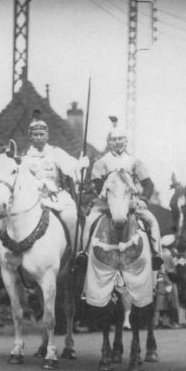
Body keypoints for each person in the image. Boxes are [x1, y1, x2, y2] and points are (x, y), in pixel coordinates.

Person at [78, 116, 162, 270]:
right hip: (106, 204)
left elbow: (148, 184)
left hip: (130, 203)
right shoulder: (101, 162)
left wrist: (143, 199)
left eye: (121, 139)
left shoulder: (134, 162)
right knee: (89, 220)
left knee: (152, 221)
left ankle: (156, 255)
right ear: (109, 142)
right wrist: (111, 199)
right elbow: (97, 185)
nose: (118, 142)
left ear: (126, 141)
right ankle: (84, 253)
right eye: (114, 139)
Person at [19, 109, 82, 249]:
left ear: (47, 136)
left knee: (71, 217)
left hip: (57, 197)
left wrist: (79, 165)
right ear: (30, 137)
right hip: (34, 199)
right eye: (35, 135)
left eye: (42, 134)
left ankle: (77, 253)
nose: (39, 138)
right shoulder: (24, 159)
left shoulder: (56, 152)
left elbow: (70, 166)